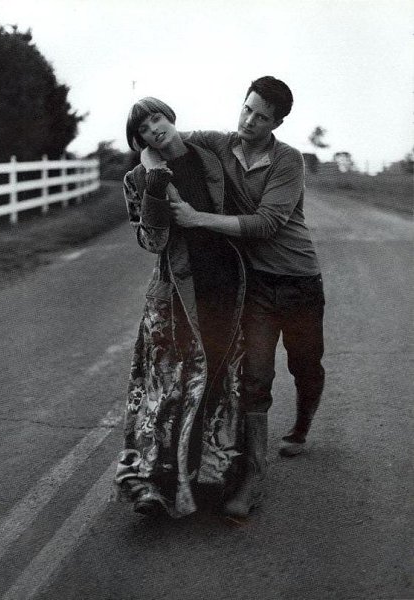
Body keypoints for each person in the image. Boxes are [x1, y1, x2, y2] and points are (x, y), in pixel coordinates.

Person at [142, 76, 326, 519]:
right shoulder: (221, 143)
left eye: (262, 117)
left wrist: (197, 218)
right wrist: (150, 161)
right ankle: (252, 479)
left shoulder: (289, 160)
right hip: (257, 284)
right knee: (256, 376)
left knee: (305, 364)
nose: (249, 121)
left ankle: (301, 428)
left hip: (300, 279)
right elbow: (165, 137)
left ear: (277, 122)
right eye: (247, 109)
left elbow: (266, 225)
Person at [113, 97, 247, 519]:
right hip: (174, 292)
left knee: (219, 380)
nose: (155, 129)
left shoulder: (212, 159)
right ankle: (150, 480)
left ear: (170, 118)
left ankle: (211, 471)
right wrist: (154, 184)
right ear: (139, 141)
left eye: (157, 118)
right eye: (144, 128)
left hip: (225, 283)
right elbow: (152, 242)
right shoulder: (137, 177)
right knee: (164, 386)